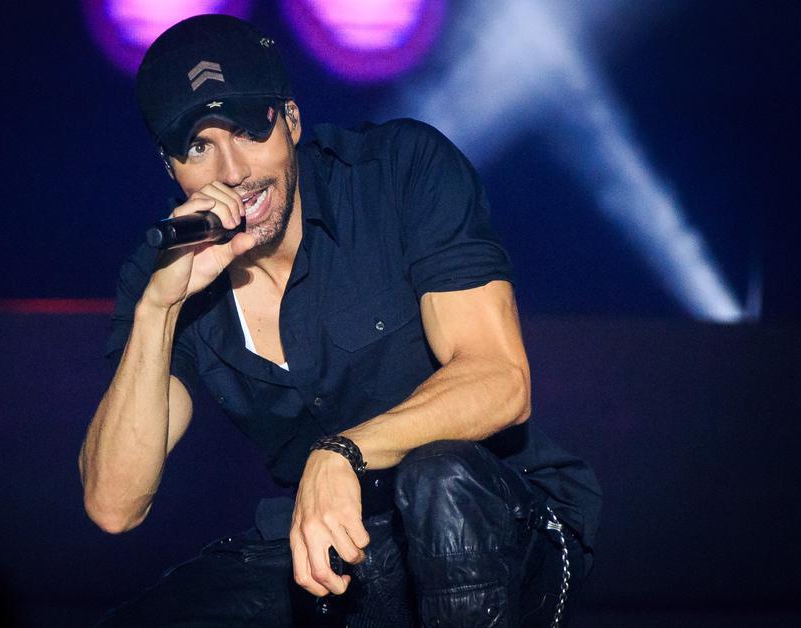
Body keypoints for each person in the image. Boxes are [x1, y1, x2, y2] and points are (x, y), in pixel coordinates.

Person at [79, 13, 601, 627]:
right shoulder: (165, 273)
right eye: (199, 146)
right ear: (171, 169)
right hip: (336, 548)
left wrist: (343, 452)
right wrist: (159, 309)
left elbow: (500, 382)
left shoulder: (398, 173)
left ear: (291, 121)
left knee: (441, 479)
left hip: (496, 523)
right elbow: (113, 504)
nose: (233, 171)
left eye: (249, 129)